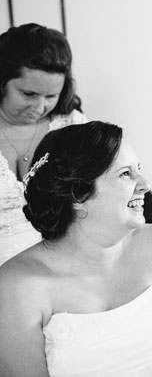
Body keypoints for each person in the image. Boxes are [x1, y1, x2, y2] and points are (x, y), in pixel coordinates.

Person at [0, 121, 152, 376]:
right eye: (126, 174)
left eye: (138, 169)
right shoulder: (16, 286)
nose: (145, 184)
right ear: (78, 196)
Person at [0, 23, 86, 266]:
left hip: (67, 266)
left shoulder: (73, 126)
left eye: (50, 96)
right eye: (28, 94)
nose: (39, 108)